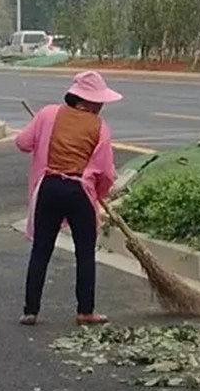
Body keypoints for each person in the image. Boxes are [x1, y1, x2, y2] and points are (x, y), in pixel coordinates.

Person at [16, 70, 121, 326]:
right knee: (84, 252)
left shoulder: (48, 114)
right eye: (99, 101)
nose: (101, 106)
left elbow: (22, 142)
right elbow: (105, 172)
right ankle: (85, 311)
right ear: (88, 101)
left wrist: (42, 134)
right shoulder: (100, 128)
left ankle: (30, 310)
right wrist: (98, 192)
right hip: (78, 191)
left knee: (41, 249)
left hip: (49, 188)